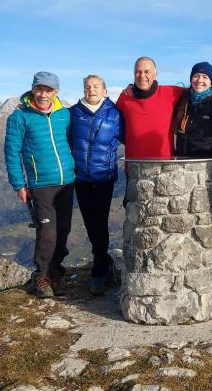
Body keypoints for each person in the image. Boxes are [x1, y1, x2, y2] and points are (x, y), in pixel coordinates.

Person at [4, 72, 75, 298]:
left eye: (49, 90)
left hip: (67, 181)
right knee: (48, 233)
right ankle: (41, 276)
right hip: (41, 184)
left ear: (56, 92)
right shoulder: (20, 117)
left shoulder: (64, 115)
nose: (43, 94)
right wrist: (19, 185)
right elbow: (11, 153)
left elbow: (71, 142)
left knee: (63, 230)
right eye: (40, 89)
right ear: (33, 89)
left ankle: (55, 272)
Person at [69, 75, 124, 295]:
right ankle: (104, 261)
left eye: (95, 86)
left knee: (99, 221)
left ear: (105, 90)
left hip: (104, 177)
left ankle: (99, 271)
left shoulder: (115, 113)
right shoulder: (73, 113)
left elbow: (129, 137)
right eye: (87, 86)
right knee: (90, 222)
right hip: (80, 177)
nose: (91, 90)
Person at [172, 62, 212, 200]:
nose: (200, 80)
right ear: (191, 78)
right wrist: (133, 88)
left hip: (210, 168)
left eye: (205, 77)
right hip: (182, 166)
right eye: (196, 75)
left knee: (211, 211)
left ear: (211, 82)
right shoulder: (182, 101)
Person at [116, 57, 184, 160]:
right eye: (138, 72)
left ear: (155, 74)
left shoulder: (171, 93)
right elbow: (114, 126)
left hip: (165, 167)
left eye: (147, 71)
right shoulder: (125, 97)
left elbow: (195, 92)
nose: (142, 76)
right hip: (135, 167)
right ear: (134, 74)